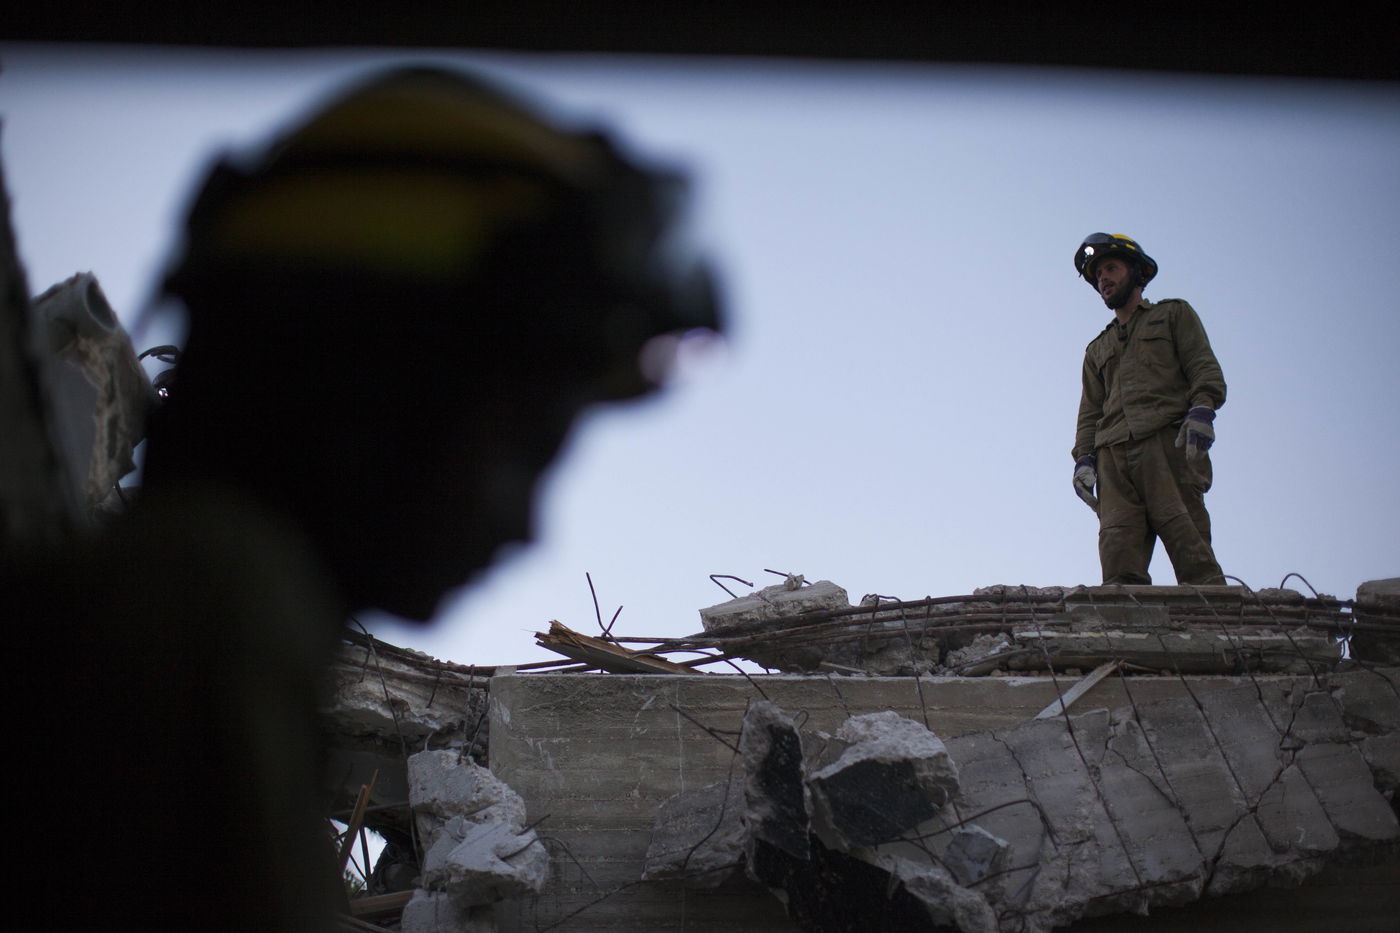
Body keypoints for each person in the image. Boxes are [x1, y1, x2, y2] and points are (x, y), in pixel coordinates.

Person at [6, 65, 721, 930]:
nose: (525, 526)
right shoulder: (187, 631)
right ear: (367, 385)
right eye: (520, 450)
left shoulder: (190, 632)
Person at [1070, 233, 1225, 586]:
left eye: (1111, 268)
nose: (1104, 279)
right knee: (1118, 559)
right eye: (1098, 275)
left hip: (1167, 444)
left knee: (1191, 547)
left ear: (1136, 272)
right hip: (1113, 459)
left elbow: (1203, 366)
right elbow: (1090, 412)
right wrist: (1084, 459)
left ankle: (1212, 618)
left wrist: (1202, 411)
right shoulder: (1097, 349)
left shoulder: (1172, 315)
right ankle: (1125, 620)